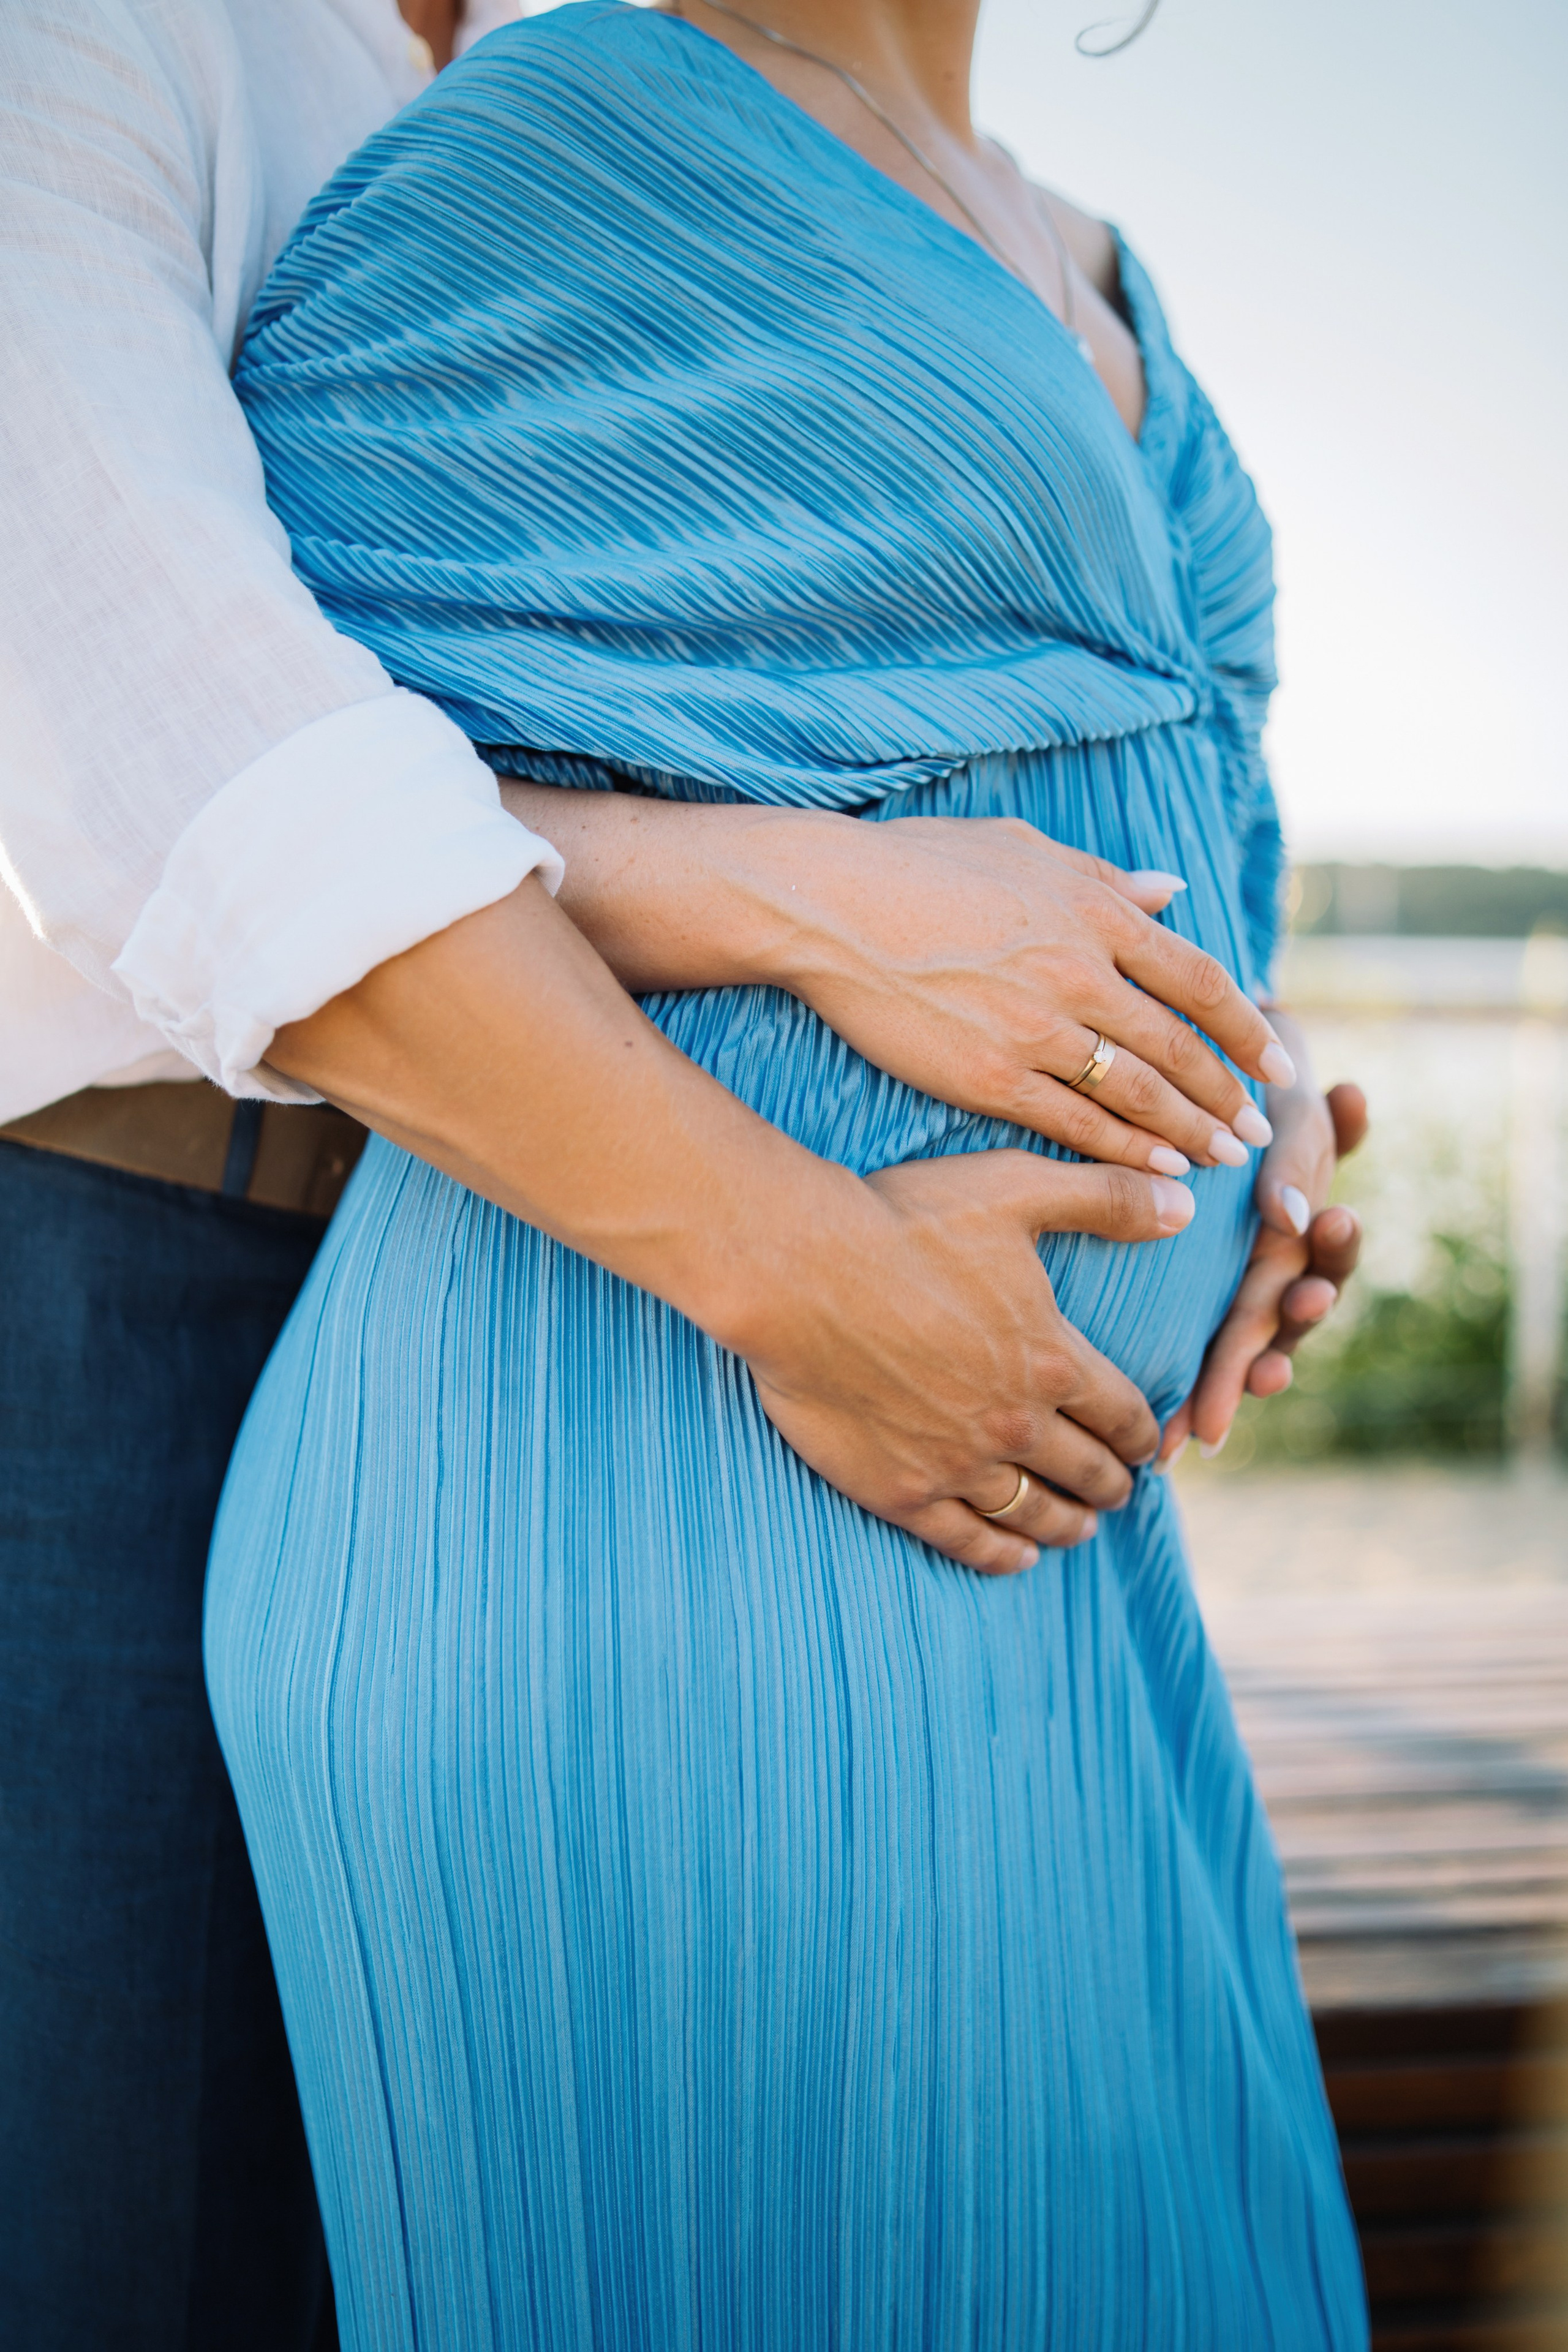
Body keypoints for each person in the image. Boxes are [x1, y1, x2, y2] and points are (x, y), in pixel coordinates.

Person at [0, 1, 1355, 2344]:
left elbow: (1049, 736)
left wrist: (1248, 1081)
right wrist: (810, 1200)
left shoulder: (616, 77)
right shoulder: (130, 49)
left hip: (789, 1377)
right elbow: (185, 746)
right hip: (165, 1282)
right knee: (144, 2232)